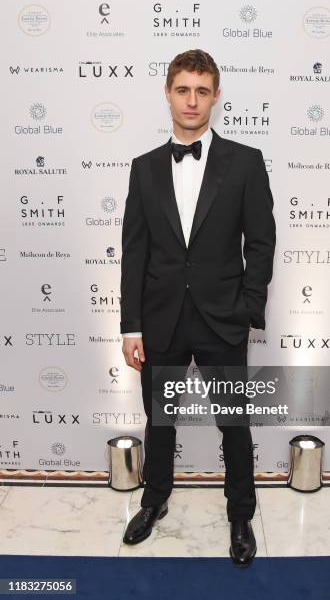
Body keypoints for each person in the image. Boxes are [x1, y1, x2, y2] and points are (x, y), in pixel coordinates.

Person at [120, 49, 276, 567]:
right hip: (161, 317)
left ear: (215, 96)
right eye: (183, 89)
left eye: (202, 90)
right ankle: (153, 500)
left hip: (221, 316)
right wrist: (131, 326)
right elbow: (135, 252)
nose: (192, 100)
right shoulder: (143, 169)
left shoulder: (246, 162)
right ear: (168, 93)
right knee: (159, 421)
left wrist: (248, 307)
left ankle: (240, 514)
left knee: (234, 422)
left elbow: (261, 242)